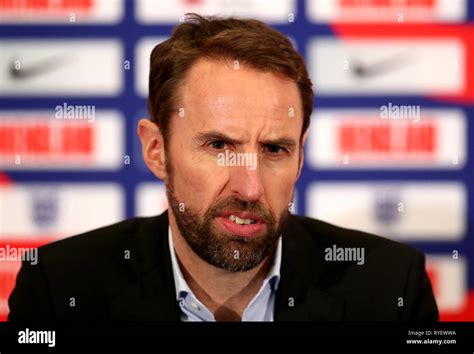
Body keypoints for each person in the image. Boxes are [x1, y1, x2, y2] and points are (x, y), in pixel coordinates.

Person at [8, 13, 438, 322]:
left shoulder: (389, 288)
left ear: (301, 157)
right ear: (157, 150)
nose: (250, 188)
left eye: (274, 150)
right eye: (218, 145)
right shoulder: (59, 289)